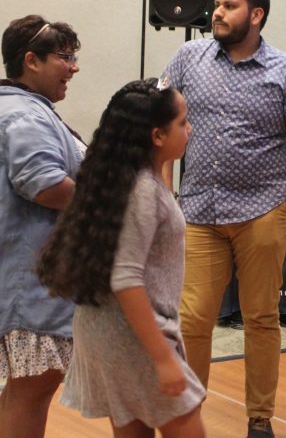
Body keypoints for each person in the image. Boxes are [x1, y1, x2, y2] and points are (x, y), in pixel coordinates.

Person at [161, 0, 286, 438]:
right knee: (192, 319)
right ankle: (188, 414)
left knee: (261, 317)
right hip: (199, 211)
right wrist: (165, 195)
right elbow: (161, 122)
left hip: (264, 209)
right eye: (216, 5)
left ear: (256, 15)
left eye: (228, 6)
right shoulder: (189, 57)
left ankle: (259, 418)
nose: (216, 12)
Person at [37, 79, 205, 437]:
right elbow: (126, 278)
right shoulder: (143, 189)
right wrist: (162, 357)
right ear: (157, 136)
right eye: (182, 122)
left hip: (108, 329)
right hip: (133, 336)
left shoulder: (128, 180)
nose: (189, 129)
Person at [0, 15, 83, 438]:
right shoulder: (24, 115)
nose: (74, 67)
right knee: (33, 387)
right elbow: (45, 184)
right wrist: (101, 202)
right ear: (31, 61)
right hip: (30, 281)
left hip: (30, 277)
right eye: (65, 57)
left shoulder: (25, 108)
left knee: (26, 389)